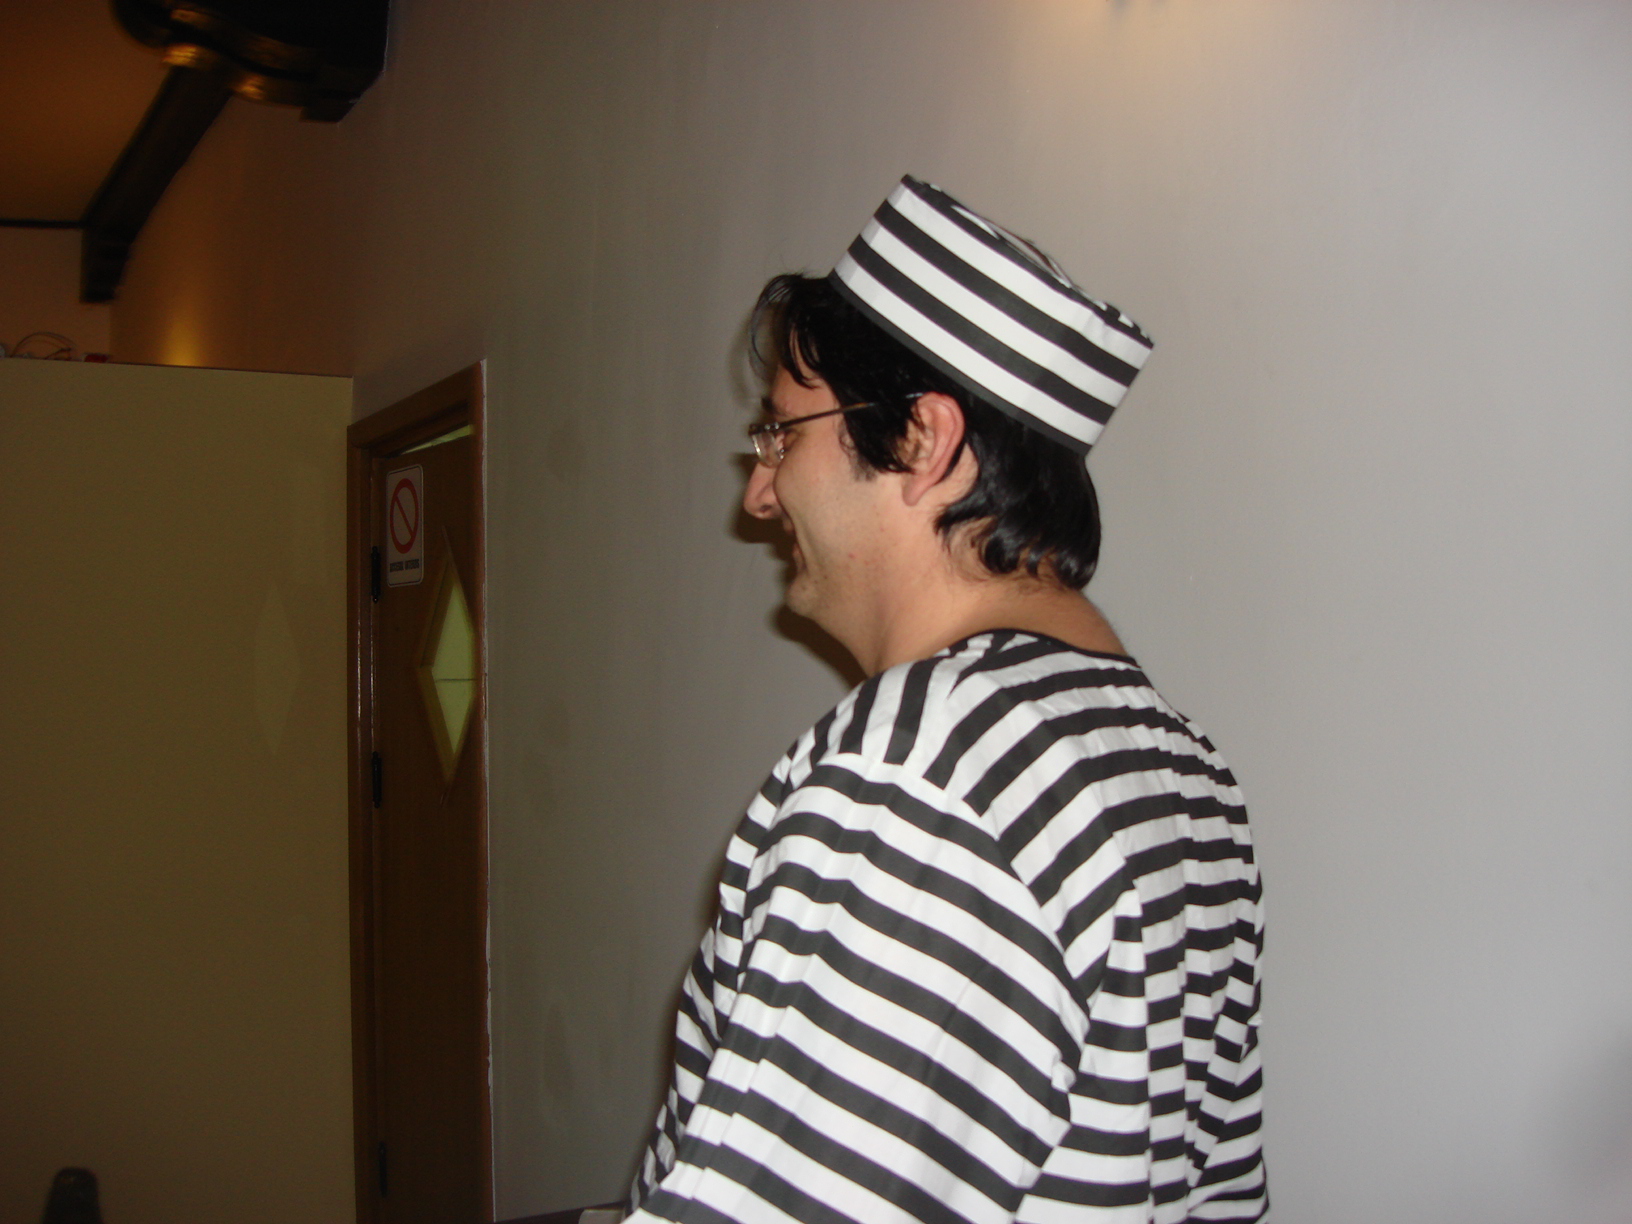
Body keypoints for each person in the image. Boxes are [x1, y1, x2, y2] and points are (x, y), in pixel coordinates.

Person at [624, 177, 1266, 1223]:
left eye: (782, 435)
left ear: (922, 440)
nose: (760, 490)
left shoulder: (923, 779)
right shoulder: (1183, 770)